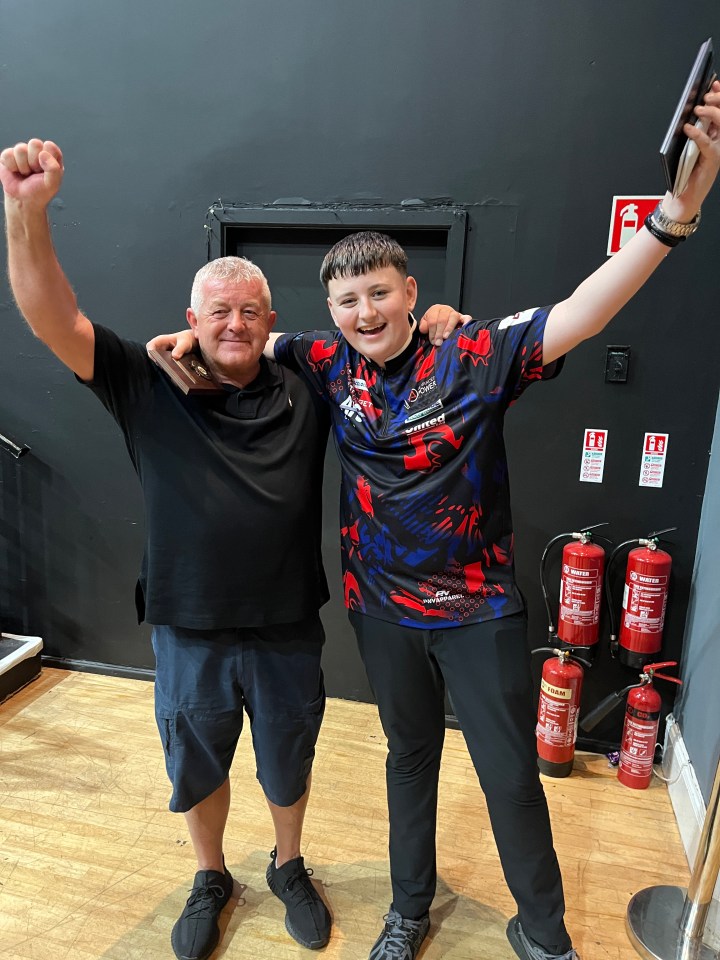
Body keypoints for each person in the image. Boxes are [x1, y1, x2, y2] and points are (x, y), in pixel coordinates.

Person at [156, 80, 720, 960]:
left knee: (507, 779)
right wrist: (190, 338)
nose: (364, 314)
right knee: (408, 762)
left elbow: (584, 310)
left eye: (379, 294)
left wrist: (671, 217)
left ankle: (545, 933)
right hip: (382, 615)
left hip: (478, 614)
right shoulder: (322, 360)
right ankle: (407, 912)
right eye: (346, 302)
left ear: (409, 291)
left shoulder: (475, 352)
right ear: (331, 312)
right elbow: (252, 339)